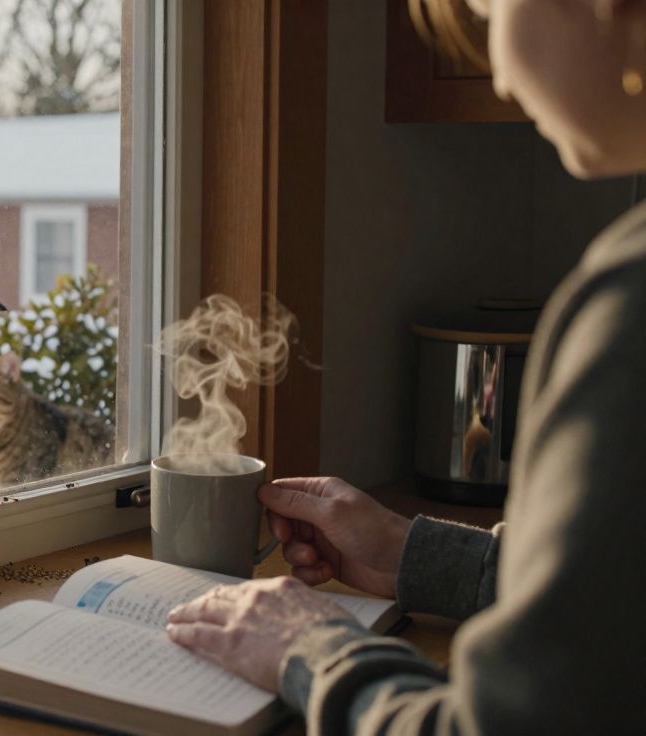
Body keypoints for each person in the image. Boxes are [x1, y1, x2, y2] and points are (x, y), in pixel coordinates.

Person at [164, 1, 646, 732]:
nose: (502, 74)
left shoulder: (630, 302)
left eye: (490, 6)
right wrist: (414, 554)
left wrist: (311, 649)